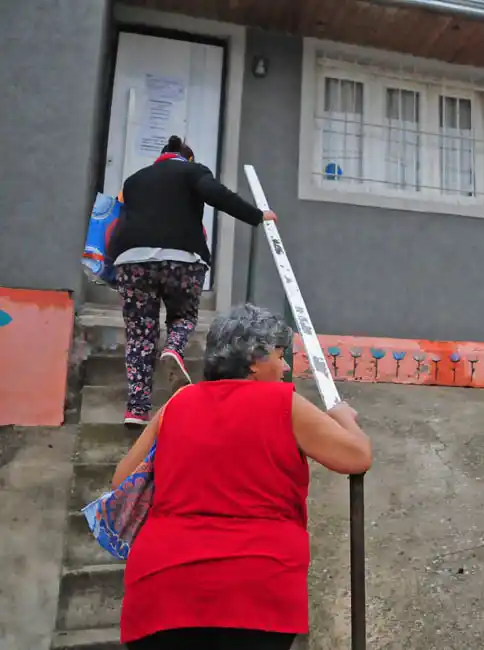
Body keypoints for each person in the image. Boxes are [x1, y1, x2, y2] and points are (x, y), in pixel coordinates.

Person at [113, 303, 373, 650]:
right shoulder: (283, 404)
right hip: (255, 589)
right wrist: (343, 416)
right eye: (279, 356)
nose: (283, 368)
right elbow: (357, 457)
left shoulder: (178, 403)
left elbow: (122, 483)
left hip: (161, 586)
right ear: (253, 359)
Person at [108, 135, 278, 426]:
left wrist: (111, 263)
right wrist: (257, 215)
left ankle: (136, 409)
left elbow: (117, 218)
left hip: (132, 261)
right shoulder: (192, 170)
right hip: (182, 259)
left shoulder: (135, 180)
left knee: (139, 334)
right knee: (183, 317)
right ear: (186, 158)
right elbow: (217, 195)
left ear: (159, 158)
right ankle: (173, 347)